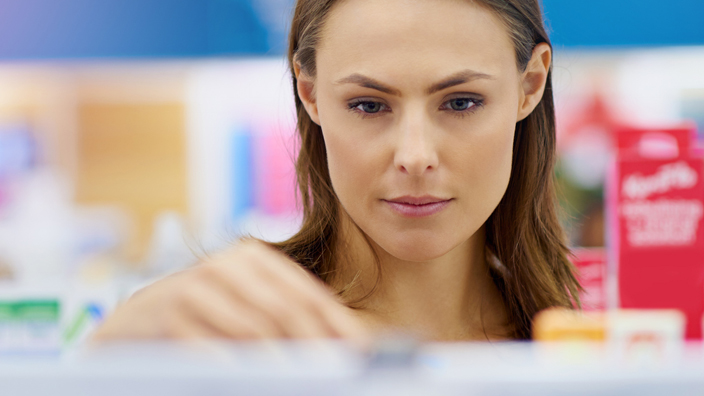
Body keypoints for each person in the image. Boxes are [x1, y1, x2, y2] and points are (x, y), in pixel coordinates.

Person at [94, 0, 580, 342]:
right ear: (310, 94)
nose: (414, 156)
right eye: (368, 105)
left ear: (530, 85)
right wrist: (110, 356)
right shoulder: (226, 330)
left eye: (461, 102)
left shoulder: (589, 343)